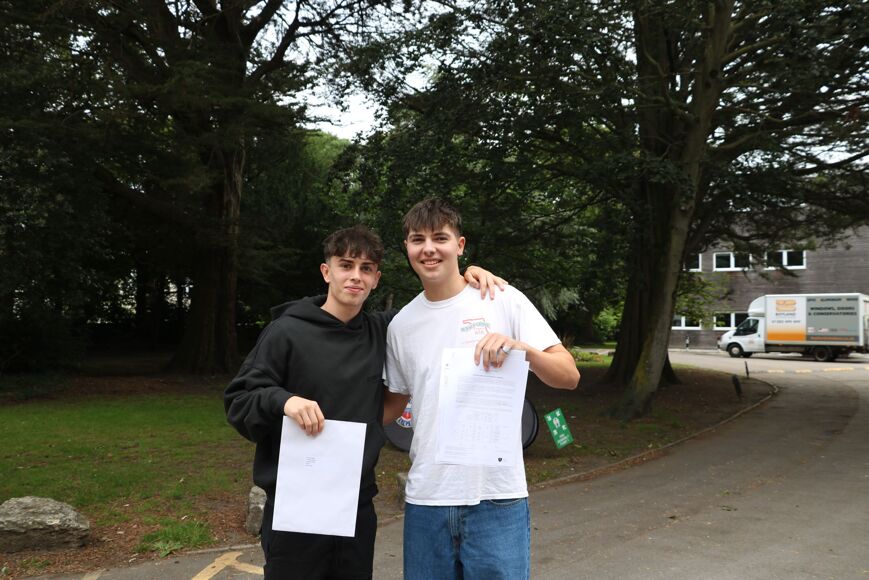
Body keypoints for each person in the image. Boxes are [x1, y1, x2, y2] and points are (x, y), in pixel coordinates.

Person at [224, 224, 504, 580]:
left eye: (366, 268)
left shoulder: (383, 331)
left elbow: (436, 309)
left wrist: (467, 275)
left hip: (355, 505)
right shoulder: (286, 332)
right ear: (326, 271)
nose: (355, 276)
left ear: (376, 279)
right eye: (346, 265)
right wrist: (284, 401)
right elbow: (239, 400)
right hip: (297, 503)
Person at [383, 198, 580, 580]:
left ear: (460, 245)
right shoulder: (401, 326)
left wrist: (524, 351)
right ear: (406, 247)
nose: (428, 248)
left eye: (440, 238)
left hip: (497, 499)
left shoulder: (502, 298)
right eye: (417, 239)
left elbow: (569, 375)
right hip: (427, 500)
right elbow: (393, 404)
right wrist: (321, 413)